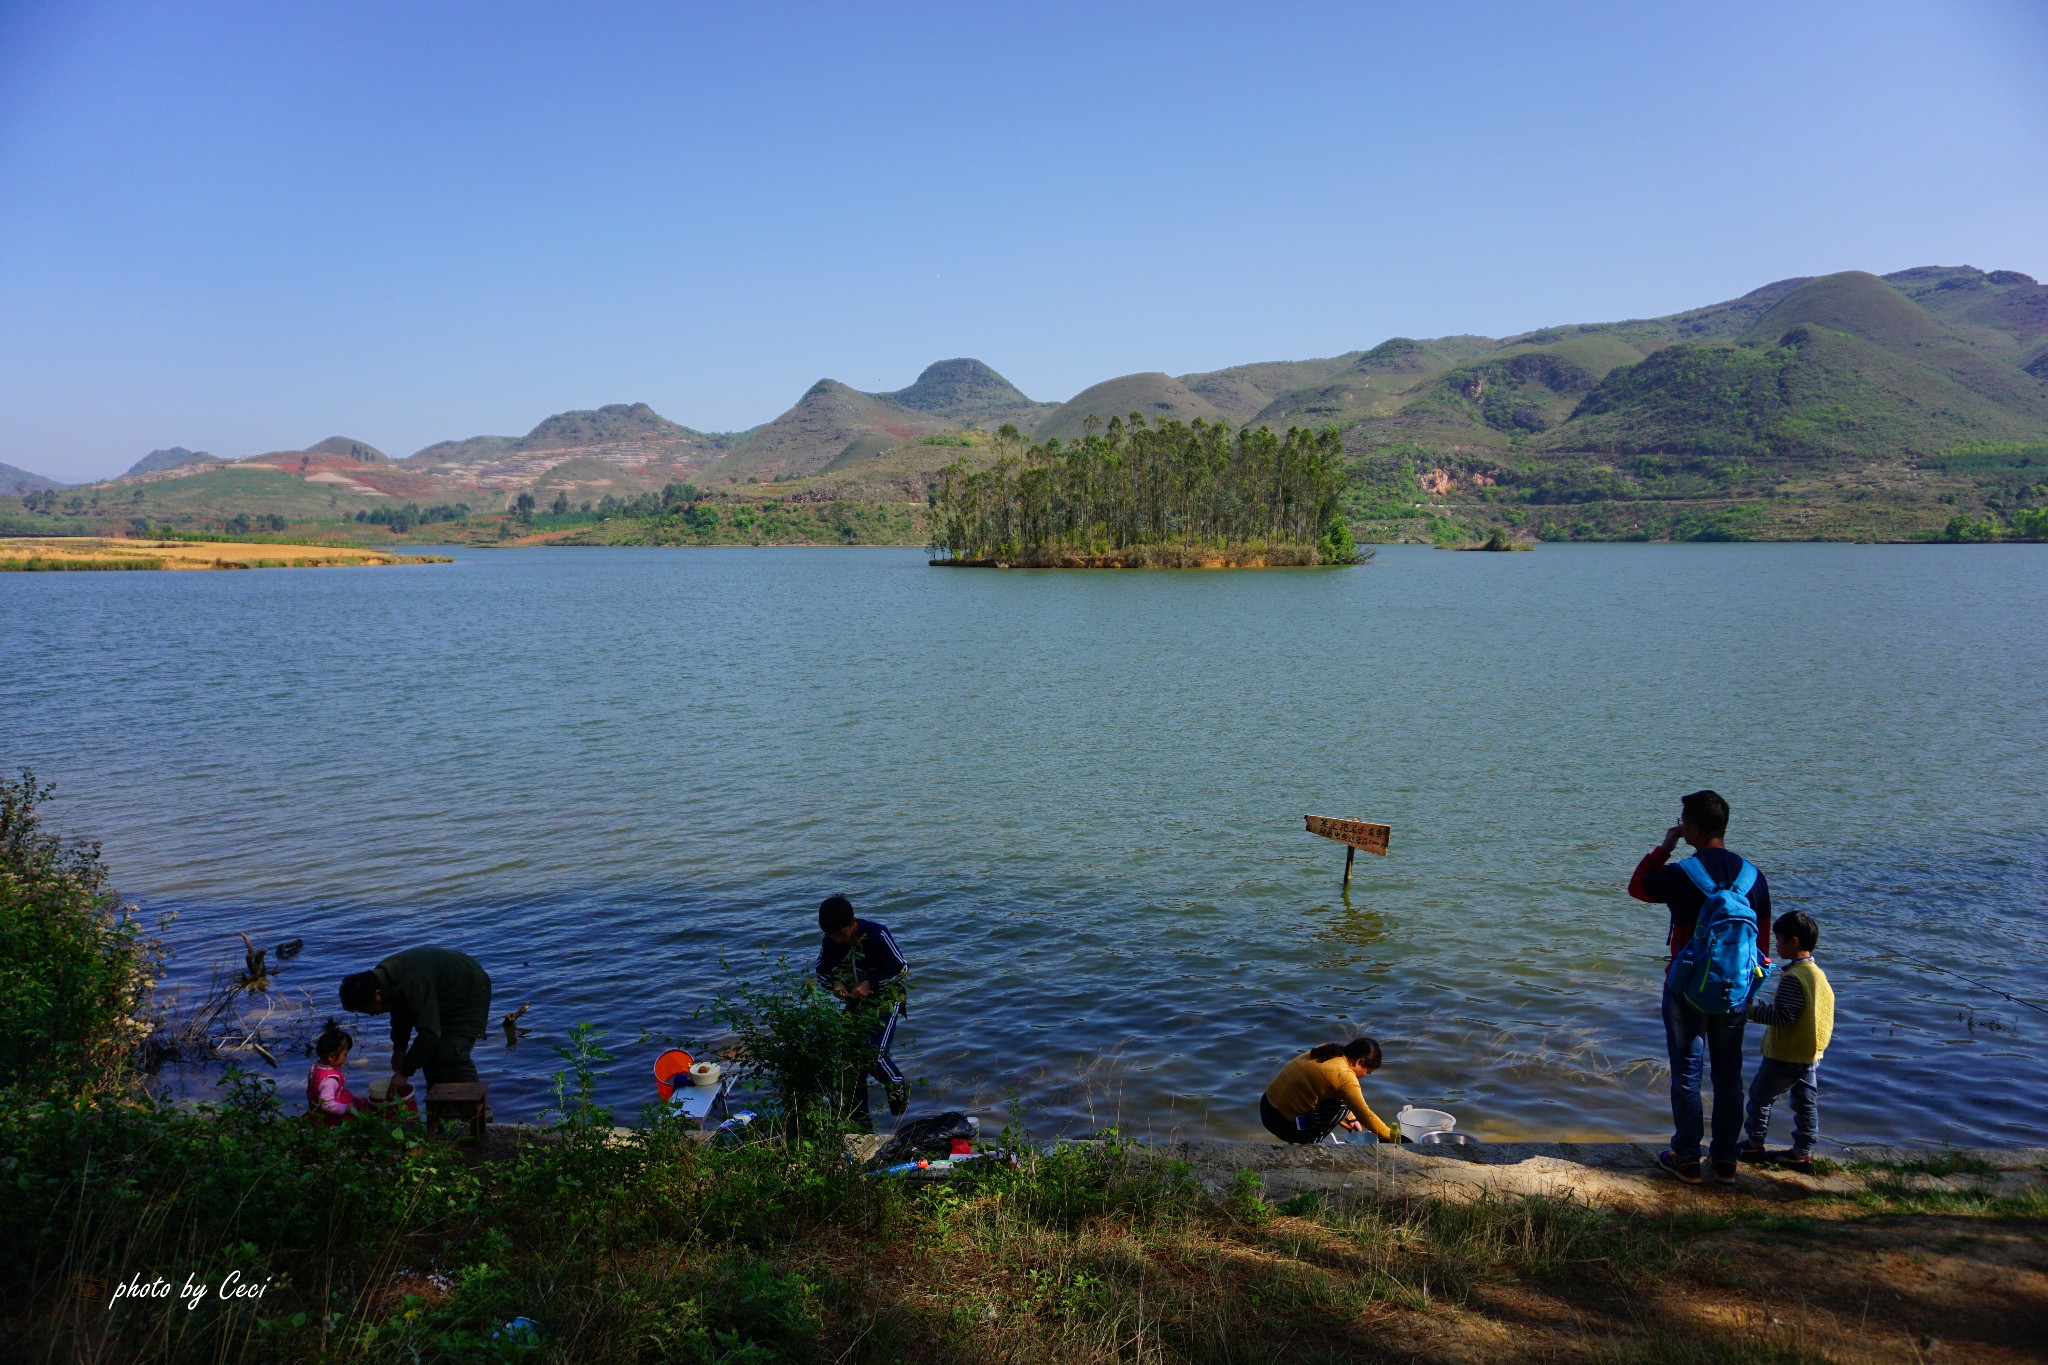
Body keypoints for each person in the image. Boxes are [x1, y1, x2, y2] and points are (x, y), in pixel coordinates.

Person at [1628, 789, 1773, 1185]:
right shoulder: (1753, 877)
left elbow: (1638, 887)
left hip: (1686, 990)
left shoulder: (1682, 874)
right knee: (1729, 1074)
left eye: (1682, 822)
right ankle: (1725, 1160)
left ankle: (1687, 1158)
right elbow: (1762, 947)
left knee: (1687, 1073)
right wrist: (1746, 991)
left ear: (1690, 828)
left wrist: (1664, 848)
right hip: (1735, 991)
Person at [1740, 911, 1834, 1175]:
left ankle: (1754, 1144)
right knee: (1805, 1102)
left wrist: (1751, 1009)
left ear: (1792, 942)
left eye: (1778, 940)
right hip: (1810, 1053)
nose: (1776, 945)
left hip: (1787, 1054)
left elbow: (1784, 1016)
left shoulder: (1793, 978)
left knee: (1760, 1096)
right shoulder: (1817, 974)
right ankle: (1802, 1152)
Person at [337, 945, 493, 1098]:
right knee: (429, 1057)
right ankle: (443, 1112)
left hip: (468, 987)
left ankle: (479, 1115)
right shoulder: (381, 980)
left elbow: (430, 1034)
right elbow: (400, 1013)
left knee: (450, 1052)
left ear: (377, 995)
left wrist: (404, 1073)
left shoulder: (408, 981)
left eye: (369, 1009)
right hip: (440, 991)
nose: (372, 1014)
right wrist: (399, 1048)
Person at [813, 895, 910, 1126]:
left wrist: (870, 984)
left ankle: (898, 1094)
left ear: (852, 922)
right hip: (854, 1003)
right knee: (848, 1063)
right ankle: (859, 1119)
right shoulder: (830, 942)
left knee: (873, 1054)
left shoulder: (877, 934)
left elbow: (901, 968)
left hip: (887, 998)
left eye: (841, 934)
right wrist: (835, 984)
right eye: (832, 935)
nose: (837, 939)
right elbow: (821, 972)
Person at [1259, 1037, 1396, 1144]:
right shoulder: (1344, 1076)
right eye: (1367, 1072)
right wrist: (1393, 1137)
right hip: (1283, 1125)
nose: (1364, 1076)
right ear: (1359, 1061)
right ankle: (1309, 1143)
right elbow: (1365, 1115)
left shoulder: (1328, 1050)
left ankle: (1305, 1131)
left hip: (1266, 1108)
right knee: (1342, 1106)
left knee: (1341, 1100)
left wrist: (1351, 1118)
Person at [305, 1019, 369, 1125]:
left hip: (316, 1110)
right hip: (329, 1116)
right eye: (345, 1054)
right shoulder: (330, 1079)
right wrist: (346, 1108)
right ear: (331, 1056)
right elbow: (326, 1104)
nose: (346, 1057)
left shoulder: (316, 1067)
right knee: (364, 1106)